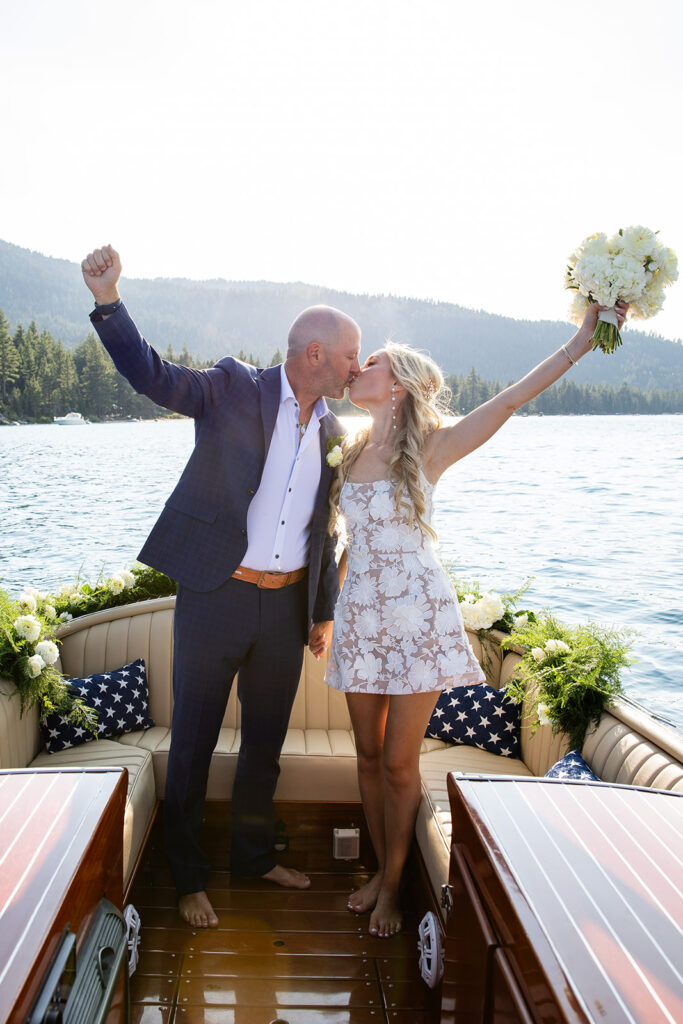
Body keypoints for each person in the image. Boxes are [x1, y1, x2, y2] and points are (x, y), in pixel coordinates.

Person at [325, 300, 628, 938]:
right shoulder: (347, 452)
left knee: (401, 764)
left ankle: (393, 890)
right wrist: (328, 612)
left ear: (398, 385)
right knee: (367, 756)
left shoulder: (431, 449)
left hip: (418, 623)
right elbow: (348, 545)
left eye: (370, 361)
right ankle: (384, 872)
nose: (358, 367)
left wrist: (582, 337)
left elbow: (513, 399)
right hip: (360, 621)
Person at [81, 245, 361, 929]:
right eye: (352, 355)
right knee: (194, 742)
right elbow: (154, 378)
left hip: (285, 608)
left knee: (263, 744)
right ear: (316, 354)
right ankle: (187, 877)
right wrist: (111, 302)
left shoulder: (333, 430)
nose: (359, 366)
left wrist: (320, 612)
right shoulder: (234, 387)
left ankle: (251, 856)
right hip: (216, 595)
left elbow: (325, 530)